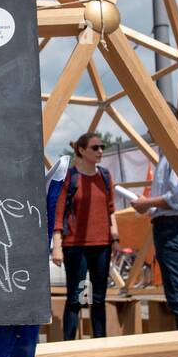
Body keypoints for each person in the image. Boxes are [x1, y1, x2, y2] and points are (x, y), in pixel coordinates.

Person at [131, 111, 178, 357]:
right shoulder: (167, 154)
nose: (150, 130)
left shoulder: (175, 152)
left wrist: (146, 203)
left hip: (174, 227)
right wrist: (149, 206)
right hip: (171, 226)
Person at [50, 132, 118, 341]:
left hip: (102, 245)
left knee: (99, 299)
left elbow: (111, 209)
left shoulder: (105, 176)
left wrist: (115, 237)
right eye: (95, 147)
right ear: (81, 150)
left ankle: (99, 350)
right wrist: (57, 245)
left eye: (101, 147)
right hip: (76, 246)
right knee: (75, 298)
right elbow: (59, 212)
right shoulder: (71, 177)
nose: (100, 151)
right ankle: (68, 349)